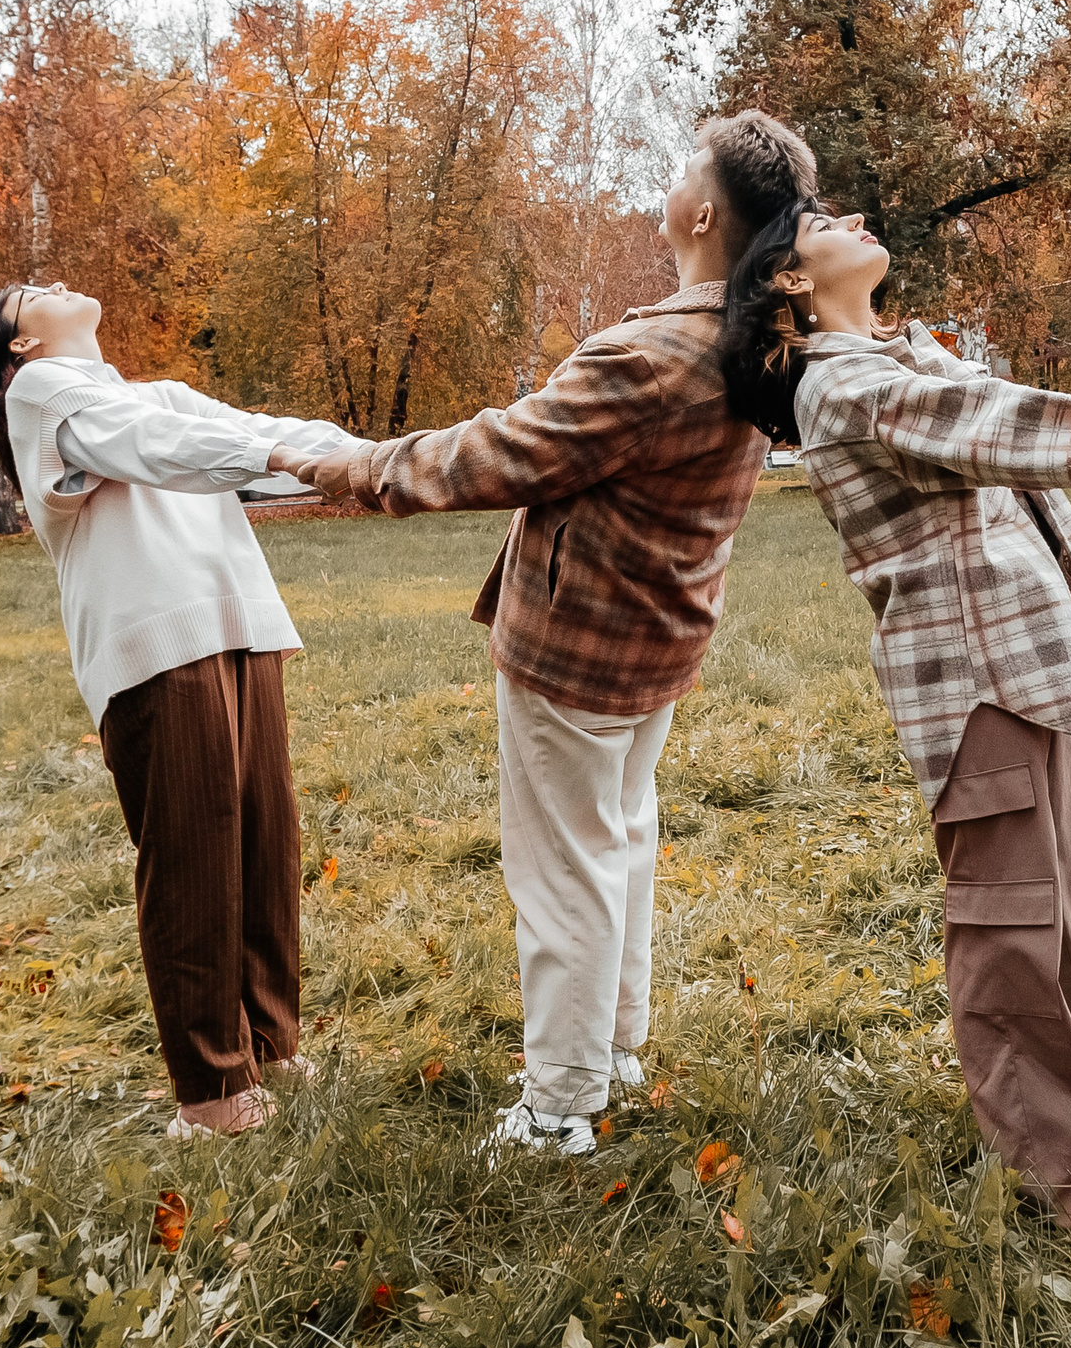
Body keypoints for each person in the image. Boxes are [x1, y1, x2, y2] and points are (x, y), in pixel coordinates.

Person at [716, 198, 1071, 1232]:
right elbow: (1006, 429)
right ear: (790, 279)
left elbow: (991, 397)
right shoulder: (843, 386)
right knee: (1014, 932)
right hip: (971, 684)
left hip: (1027, 670)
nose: (856, 213)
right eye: (822, 219)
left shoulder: (893, 360)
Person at [297, 111, 816, 1156]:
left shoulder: (656, 352)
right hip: (655, 636)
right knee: (615, 842)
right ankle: (608, 1050)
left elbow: (497, 451)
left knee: (565, 870)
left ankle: (559, 1107)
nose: (670, 178)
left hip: (583, 646)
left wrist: (352, 465)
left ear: (703, 212)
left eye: (684, 165)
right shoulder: (754, 334)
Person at [0, 281, 360, 1138]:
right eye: (31, 293)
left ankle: (268, 1045)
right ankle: (210, 1091)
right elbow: (163, 448)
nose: (57, 284)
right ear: (17, 347)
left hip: (240, 625)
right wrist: (290, 458)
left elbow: (257, 431)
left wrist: (382, 456)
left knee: (264, 842)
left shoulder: (153, 394)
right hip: (154, 648)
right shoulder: (41, 396)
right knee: (193, 856)